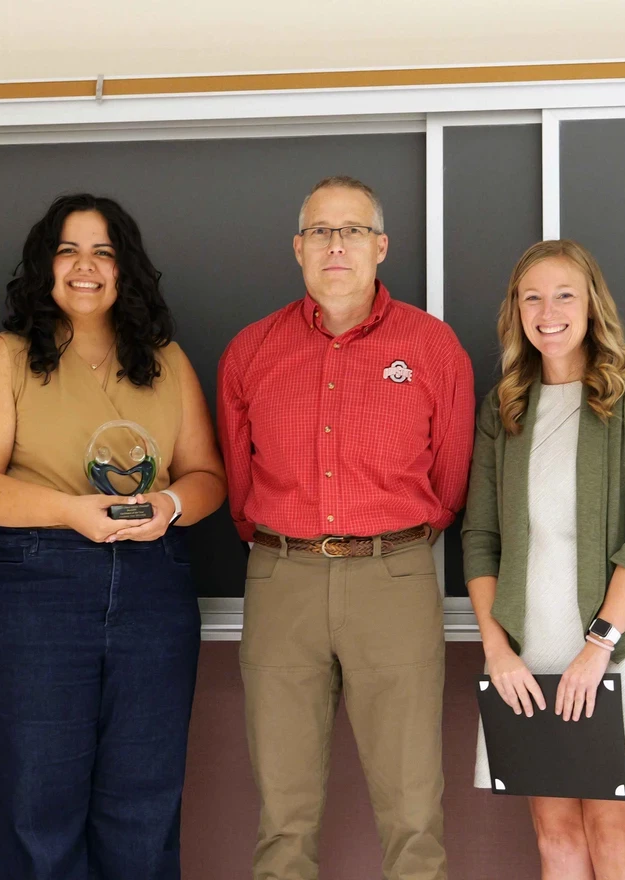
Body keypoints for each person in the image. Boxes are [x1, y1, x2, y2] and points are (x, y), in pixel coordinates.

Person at [0, 193, 227, 880]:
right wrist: (68, 512)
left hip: (153, 592)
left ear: (126, 269)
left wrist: (172, 504)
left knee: (145, 808)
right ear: (45, 265)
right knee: (38, 811)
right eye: (68, 249)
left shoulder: (165, 361)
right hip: (35, 593)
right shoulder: (7, 357)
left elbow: (208, 475)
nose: (85, 266)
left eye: (103, 251)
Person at [216, 175, 474, 880]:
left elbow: (449, 483)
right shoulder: (250, 351)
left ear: (381, 246)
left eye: (353, 230)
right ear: (298, 248)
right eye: (321, 231)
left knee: (413, 812)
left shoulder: (432, 347)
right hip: (282, 577)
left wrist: (390, 540)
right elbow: (240, 490)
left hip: (393, 578)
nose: (337, 244)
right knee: (283, 815)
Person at [463, 239, 625, 880]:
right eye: (532, 296)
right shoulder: (505, 407)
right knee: (555, 835)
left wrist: (600, 644)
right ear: (515, 311)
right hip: (527, 652)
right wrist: (498, 651)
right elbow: (479, 539)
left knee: (612, 833)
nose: (547, 310)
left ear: (591, 306)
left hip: (622, 644)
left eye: (564, 295)